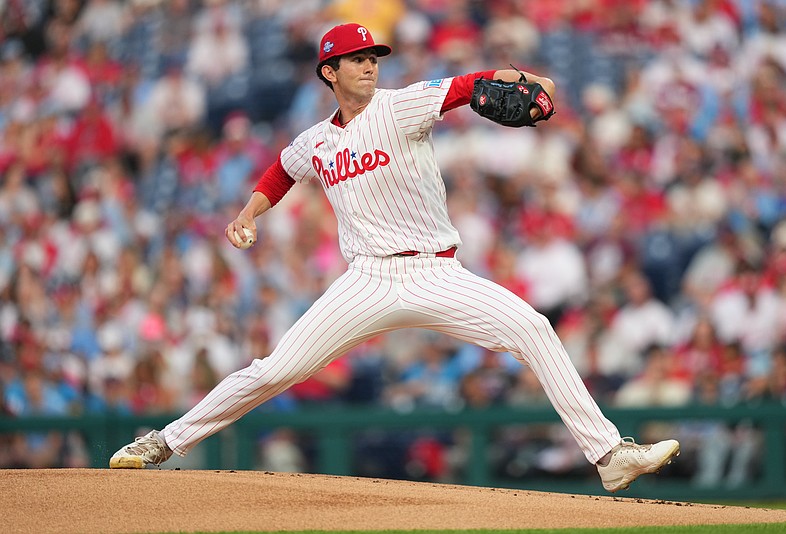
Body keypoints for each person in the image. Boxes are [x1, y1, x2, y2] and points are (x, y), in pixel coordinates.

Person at [109, 23, 680, 493]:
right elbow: (283, 168)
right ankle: (165, 441)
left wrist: (527, 78)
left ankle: (608, 455)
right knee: (276, 370)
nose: (369, 65)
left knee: (533, 327)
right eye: (355, 59)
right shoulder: (315, 140)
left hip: (437, 271)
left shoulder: (402, 106)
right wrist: (249, 213)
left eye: (373, 57)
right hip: (368, 279)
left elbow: (468, 85)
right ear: (329, 72)